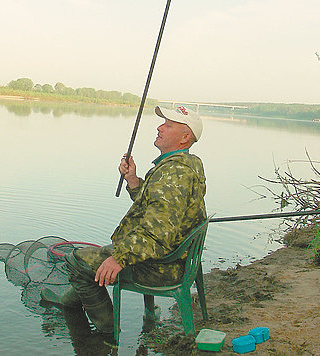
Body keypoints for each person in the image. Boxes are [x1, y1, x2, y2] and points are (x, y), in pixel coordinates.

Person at [41, 105, 207, 340]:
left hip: (161, 267)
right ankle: (69, 303)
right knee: (88, 261)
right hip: (175, 258)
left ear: (185, 137)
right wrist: (132, 180)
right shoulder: (183, 166)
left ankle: (108, 331)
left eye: (168, 125)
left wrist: (120, 257)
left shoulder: (173, 174)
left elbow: (158, 234)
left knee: (77, 260)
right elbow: (154, 208)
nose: (160, 128)